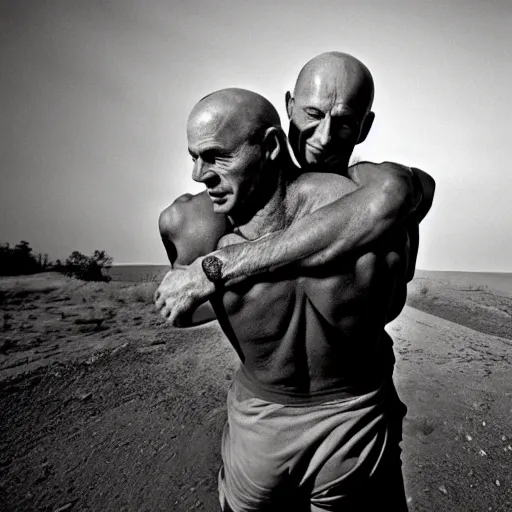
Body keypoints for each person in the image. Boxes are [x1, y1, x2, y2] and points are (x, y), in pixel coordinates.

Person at [156, 87, 422, 510]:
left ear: (271, 146)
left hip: (261, 433)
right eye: (195, 156)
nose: (198, 174)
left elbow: (182, 313)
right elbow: (392, 302)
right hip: (354, 428)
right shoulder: (379, 209)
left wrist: (242, 295)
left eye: (215, 156)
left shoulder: (190, 225)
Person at [157, 52, 434, 327]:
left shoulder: (385, 189)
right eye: (313, 114)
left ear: (365, 127)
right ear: (289, 105)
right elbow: (182, 306)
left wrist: (220, 269)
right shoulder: (212, 215)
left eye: (346, 123)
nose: (324, 138)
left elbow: (398, 192)